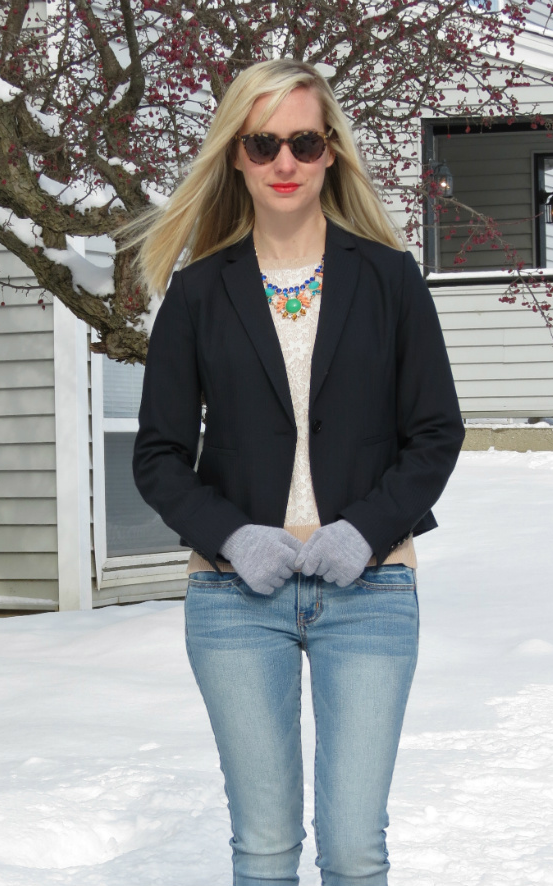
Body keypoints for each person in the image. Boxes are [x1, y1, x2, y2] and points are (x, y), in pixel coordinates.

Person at [130, 58, 464, 886]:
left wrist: (367, 529)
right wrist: (233, 536)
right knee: (266, 848)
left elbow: (435, 432)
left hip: (371, 593)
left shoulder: (390, 280)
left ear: (332, 154)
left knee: (354, 849)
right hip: (235, 601)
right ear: (236, 156)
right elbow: (159, 454)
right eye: (264, 143)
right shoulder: (200, 292)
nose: (285, 162)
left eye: (305, 142)